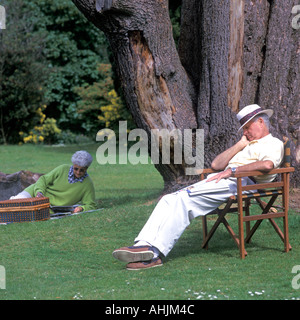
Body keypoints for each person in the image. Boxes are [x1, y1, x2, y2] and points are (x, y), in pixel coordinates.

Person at [112, 104, 284, 270]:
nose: (245, 132)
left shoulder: (273, 143)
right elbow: (217, 165)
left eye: (247, 128)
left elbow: (268, 165)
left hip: (242, 183)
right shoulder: (247, 144)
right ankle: (143, 245)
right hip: (226, 179)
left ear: (260, 122)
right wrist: (240, 145)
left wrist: (232, 170)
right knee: (168, 199)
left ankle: (155, 254)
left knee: (184, 201)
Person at [10, 150, 96, 213]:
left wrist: (81, 208)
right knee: (12, 205)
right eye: (76, 169)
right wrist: (39, 193)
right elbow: (43, 179)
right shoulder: (62, 169)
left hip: (49, 207)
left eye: (82, 170)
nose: (78, 172)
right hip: (35, 192)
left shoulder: (87, 184)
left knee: (22, 213)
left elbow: (91, 205)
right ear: (73, 165)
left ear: (87, 169)